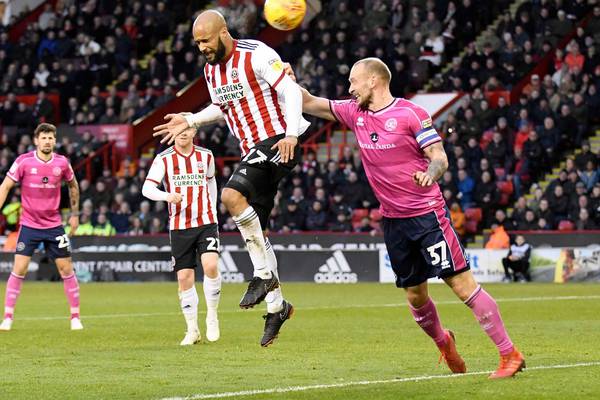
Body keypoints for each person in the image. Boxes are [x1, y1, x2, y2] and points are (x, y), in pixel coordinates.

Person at [290, 58, 525, 379]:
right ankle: (444, 343)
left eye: (353, 81)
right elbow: (308, 102)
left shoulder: (411, 114)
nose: (349, 88)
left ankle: (509, 353)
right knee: (415, 296)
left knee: (461, 285)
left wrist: (430, 173)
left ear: (373, 81)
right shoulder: (354, 113)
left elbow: (439, 158)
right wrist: (282, 79)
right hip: (393, 222)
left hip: (427, 216)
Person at [152, 10, 308, 347]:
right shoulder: (210, 71)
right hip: (254, 148)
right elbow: (222, 107)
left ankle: (263, 276)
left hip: (279, 139)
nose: (202, 47)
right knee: (259, 234)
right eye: (197, 43)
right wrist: (191, 120)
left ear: (223, 32)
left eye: (206, 40)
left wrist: (292, 136)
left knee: (231, 196)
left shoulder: (258, 54)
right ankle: (277, 307)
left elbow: (292, 93)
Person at [142, 127, 221, 346]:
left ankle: (212, 315)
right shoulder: (163, 159)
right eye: (178, 130)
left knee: (211, 265)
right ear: (172, 134)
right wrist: (167, 196)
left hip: (206, 221)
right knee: (184, 278)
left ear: (194, 131)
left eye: (187, 128)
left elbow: (211, 181)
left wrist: (212, 209)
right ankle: (192, 330)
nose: (183, 133)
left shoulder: (206, 155)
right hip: (179, 226)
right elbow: (147, 189)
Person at [0, 123, 82, 331]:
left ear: (55, 140)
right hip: (29, 225)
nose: (47, 141)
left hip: (54, 225)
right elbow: (5, 186)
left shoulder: (62, 163)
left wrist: (74, 215)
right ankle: (8, 317)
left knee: (66, 268)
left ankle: (75, 317)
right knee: (19, 268)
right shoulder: (23, 162)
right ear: (36, 140)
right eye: (43, 138)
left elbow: (73, 186)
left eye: (50, 138)